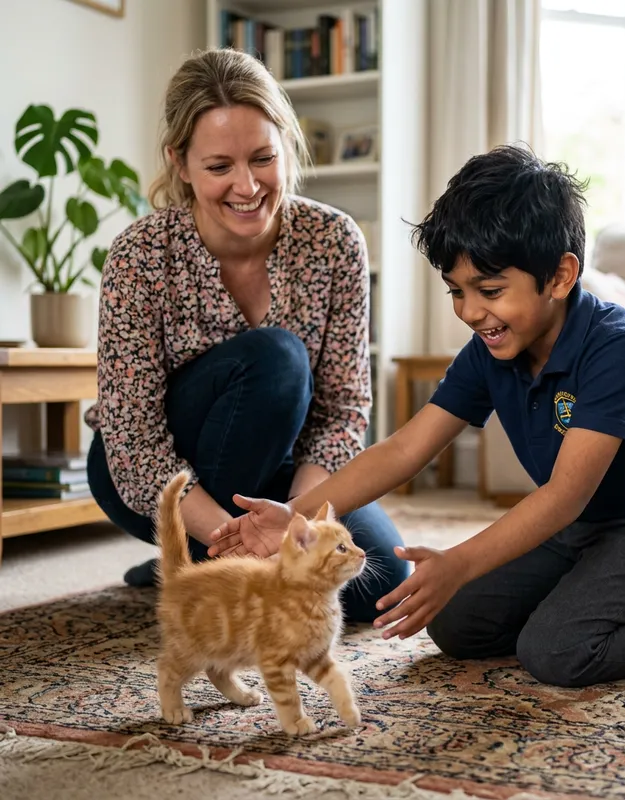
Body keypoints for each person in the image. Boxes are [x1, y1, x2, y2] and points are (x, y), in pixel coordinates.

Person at [207, 144, 625, 687]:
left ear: (559, 276)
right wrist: (296, 515)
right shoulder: (490, 351)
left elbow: (562, 497)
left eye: (490, 289)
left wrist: (458, 562)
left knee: (555, 651)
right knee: (456, 625)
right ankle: (584, 596)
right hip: (580, 530)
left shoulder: (618, 348)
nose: (471, 311)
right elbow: (405, 449)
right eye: (457, 291)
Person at [84, 48, 410, 621]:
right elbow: (133, 441)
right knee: (278, 359)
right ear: (180, 164)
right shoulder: (140, 254)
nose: (247, 185)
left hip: (285, 475)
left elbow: (342, 413)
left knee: (377, 581)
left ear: (286, 146)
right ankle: (206, 548)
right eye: (219, 167)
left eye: (263, 158)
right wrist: (251, 543)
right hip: (152, 477)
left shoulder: (335, 242)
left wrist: (298, 527)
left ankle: (191, 566)